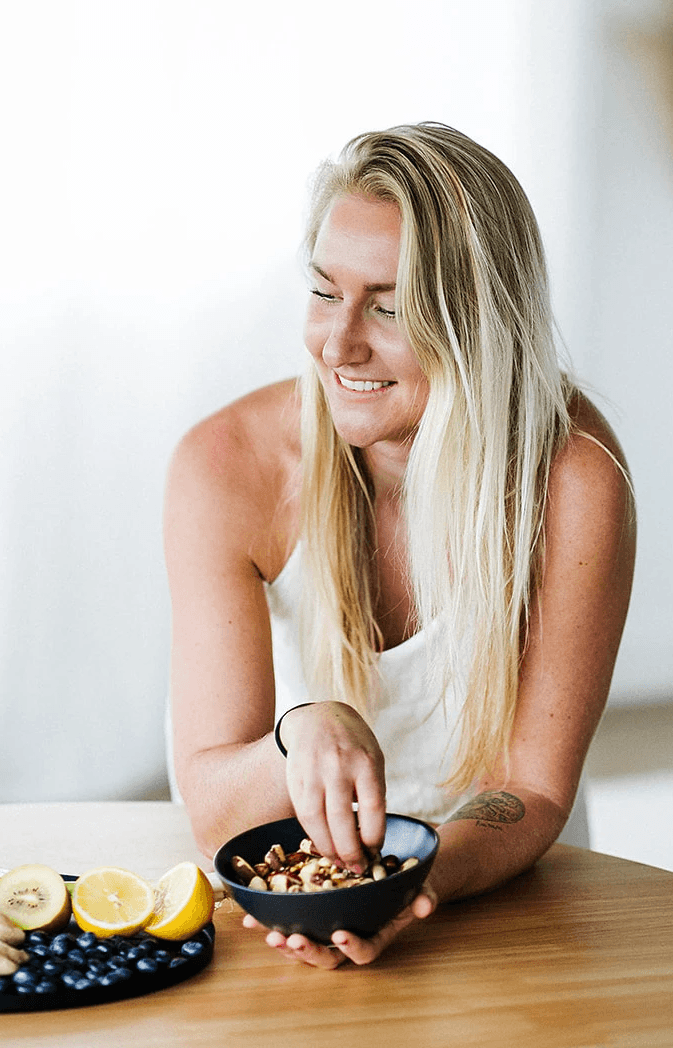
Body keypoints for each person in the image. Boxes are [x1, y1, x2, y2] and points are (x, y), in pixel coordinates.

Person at [163, 122, 635, 968]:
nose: (337, 343)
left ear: (478, 319)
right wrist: (300, 731)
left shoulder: (573, 477)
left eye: (388, 306)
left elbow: (529, 790)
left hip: (500, 889)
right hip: (286, 899)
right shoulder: (225, 467)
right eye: (323, 292)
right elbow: (212, 810)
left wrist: (406, 887)